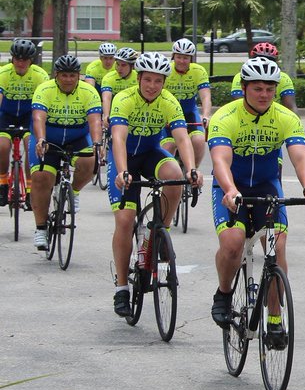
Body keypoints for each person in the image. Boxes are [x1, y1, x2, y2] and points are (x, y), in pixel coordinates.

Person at [207, 57, 305, 349]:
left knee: (277, 246)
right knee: (232, 244)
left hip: (267, 186)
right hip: (232, 185)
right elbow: (220, 159)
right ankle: (223, 293)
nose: (264, 95)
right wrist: (230, 190)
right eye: (257, 88)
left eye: (270, 89)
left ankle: (274, 318)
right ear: (244, 88)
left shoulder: (285, 117)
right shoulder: (226, 116)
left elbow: (300, 155)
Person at [108, 52, 203, 318]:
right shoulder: (124, 99)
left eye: (158, 81)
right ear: (138, 79)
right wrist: (124, 171)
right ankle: (121, 288)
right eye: (147, 79)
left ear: (164, 82)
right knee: (125, 221)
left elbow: (182, 139)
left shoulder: (168, 101)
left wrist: (192, 168)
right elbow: (118, 138)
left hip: (150, 153)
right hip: (125, 158)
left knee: (174, 174)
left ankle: (160, 229)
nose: (152, 86)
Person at [29, 56, 102, 251]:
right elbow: (38, 118)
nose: (68, 79)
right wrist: (41, 139)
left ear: (79, 76)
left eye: (72, 75)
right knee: (42, 177)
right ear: (56, 75)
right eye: (64, 75)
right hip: (49, 137)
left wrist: (97, 143)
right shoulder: (44, 90)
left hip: (77, 136)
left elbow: (95, 120)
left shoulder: (88, 91)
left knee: (90, 162)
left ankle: (74, 191)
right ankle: (41, 228)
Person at [0, 39, 50, 207]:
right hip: (6, 115)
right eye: (17, 59)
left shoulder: (40, 75)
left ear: (31, 61)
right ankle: (3, 184)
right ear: (12, 59)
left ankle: (30, 190)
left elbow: (42, 104)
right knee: (3, 146)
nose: (20, 63)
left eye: (25, 59)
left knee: (32, 147)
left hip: (29, 116)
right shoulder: (3, 73)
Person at [161, 38, 212, 171]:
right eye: (179, 57)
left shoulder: (198, 71)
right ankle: (170, 175)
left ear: (191, 58)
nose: (182, 61)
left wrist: (206, 115)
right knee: (169, 146)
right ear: (173, 56)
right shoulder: (166, 70)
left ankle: (193, 171)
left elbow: (205, 96)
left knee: (199, 141)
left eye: (186, 58)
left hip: (189, 113)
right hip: (168, 115)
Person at [229, 42, 297, 111]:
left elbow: (290, 107)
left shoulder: (284, 78)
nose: (264, 64)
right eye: (257, 89)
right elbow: (239, 105)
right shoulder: (240, 77)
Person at [100, 47, 139, 127]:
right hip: (114, 111)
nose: (119, 68)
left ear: (132, 66)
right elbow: (106, 98)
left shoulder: (138, 78)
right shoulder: (109, 77)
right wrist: (106, 115)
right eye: (117, 64)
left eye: (123, 65)